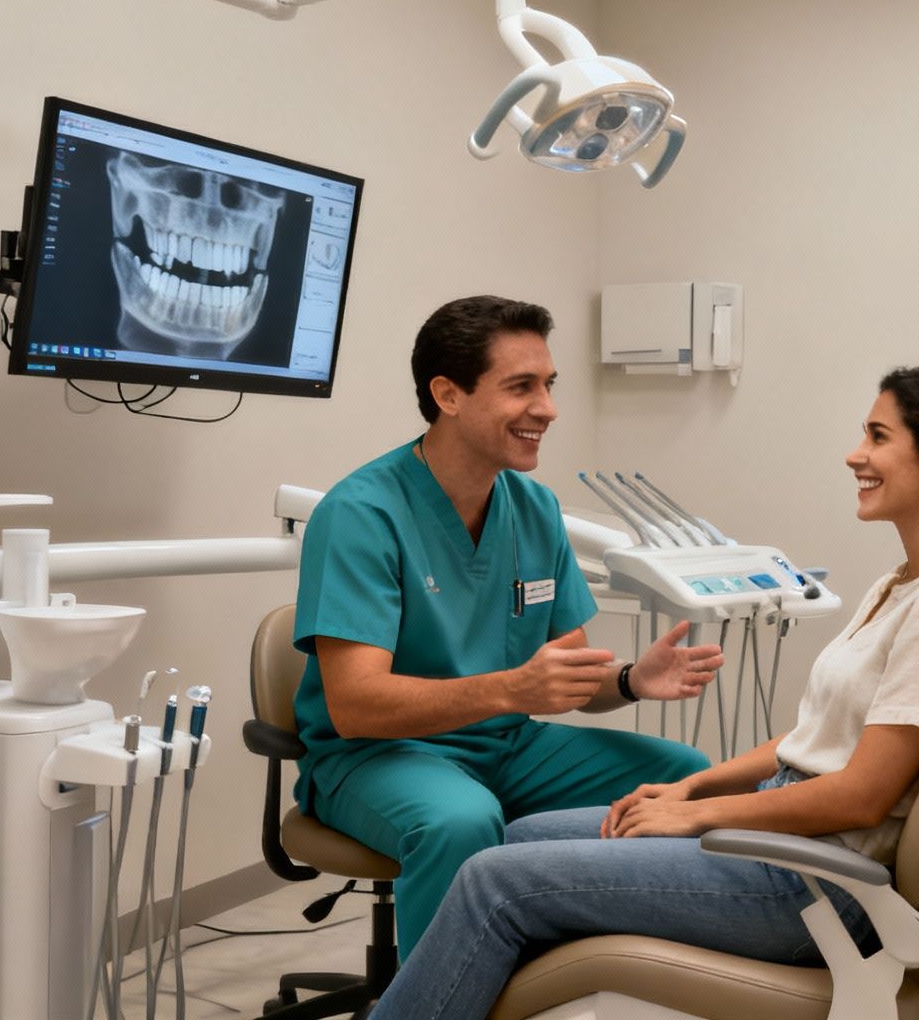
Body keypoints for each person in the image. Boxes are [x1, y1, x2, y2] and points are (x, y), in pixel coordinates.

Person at [371, 364, 919, 1020]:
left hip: (814, 884)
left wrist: (699, 817)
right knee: (517, 840)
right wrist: (692, 789)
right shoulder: (905, 583)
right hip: (790, 844)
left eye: (877, 436)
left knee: (496, 884)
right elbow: (816, 742)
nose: (853, 454)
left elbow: (863, 793)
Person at [291, 295, 725, 959]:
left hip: (506, 745)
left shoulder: (532, 506)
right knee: (459, 820)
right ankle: (440, 1000)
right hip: (378, 756)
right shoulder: (361, 514)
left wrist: (631, 680)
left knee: (687, 781)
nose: (546, 408)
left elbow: (566, 680)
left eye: (548, 386)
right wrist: (509, 691)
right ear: (448, 394)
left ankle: (582, 973)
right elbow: (354, 706)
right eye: (520, 387)